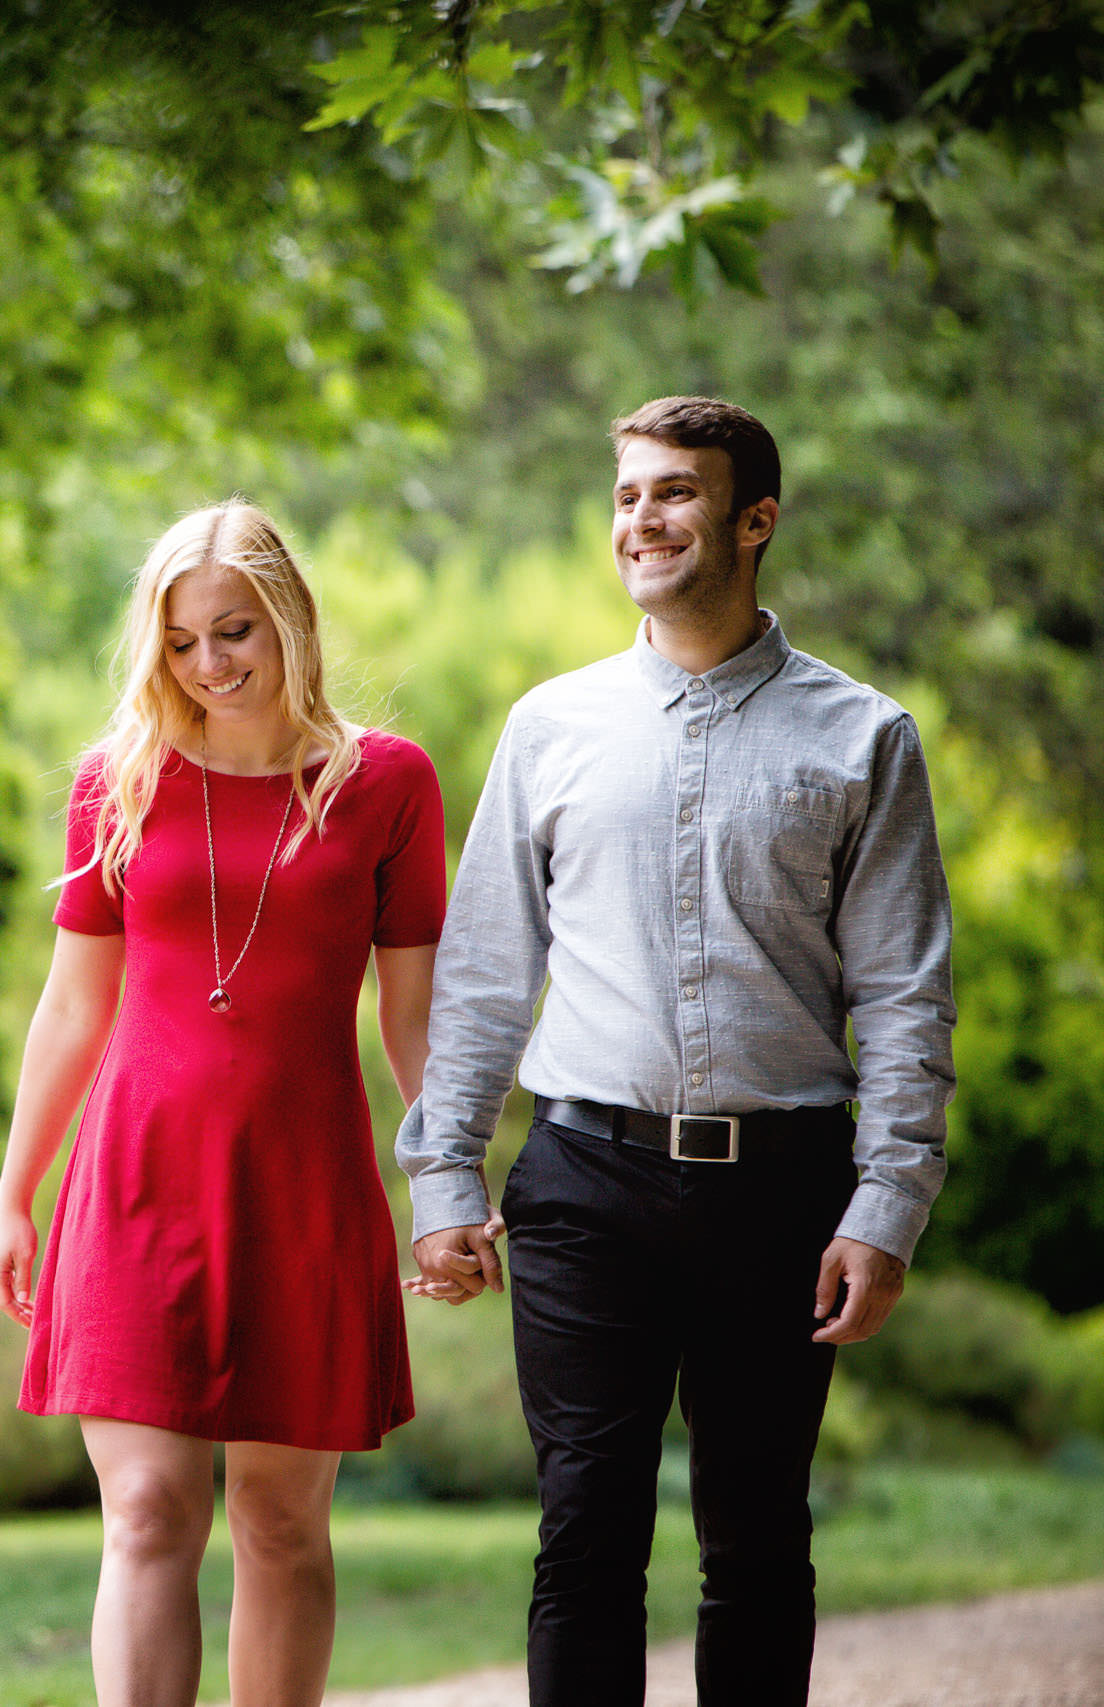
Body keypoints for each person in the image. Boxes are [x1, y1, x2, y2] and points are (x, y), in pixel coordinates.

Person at [397, 396, 956, 1706]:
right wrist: (443, 1178)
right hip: (586, 1177)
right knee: (585, 1528)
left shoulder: (864, 736)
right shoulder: (550, 728)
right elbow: (483, 978)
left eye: (674, 493)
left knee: (758, 1539)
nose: (640, 520)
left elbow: (908, 1001)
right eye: (627, 494)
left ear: (754, 519)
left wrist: (887, 1205)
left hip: (783, 1188)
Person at [0, 498, 446, 1707]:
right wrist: (14, 1195)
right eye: (182, 642)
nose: (209, 665)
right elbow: (72, 1009)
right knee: (144, 1511)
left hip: (303, 1183)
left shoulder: (385, 785)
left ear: (288, 618)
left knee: (280, 1523)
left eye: (234, 631)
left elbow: (412, 1013)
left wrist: (445, 1178)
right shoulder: (117, 783)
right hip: (134, 1182)